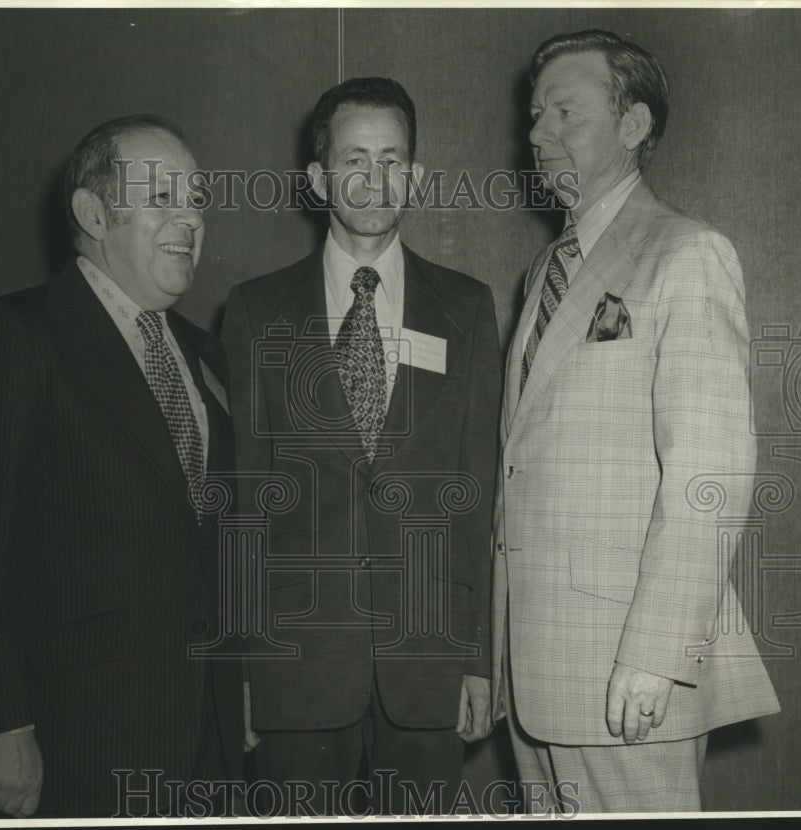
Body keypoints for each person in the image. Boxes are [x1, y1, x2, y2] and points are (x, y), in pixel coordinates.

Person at [491, 30, 780, 813]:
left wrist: (657, 654)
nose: (538, 132)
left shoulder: (687, 254)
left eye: (563, 112)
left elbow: (709, 472)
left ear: (633, 126)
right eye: (534, 114)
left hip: (625, 671)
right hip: (537, 668)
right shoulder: (544, 272)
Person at [0, 115, 243, 818]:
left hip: (207, 740)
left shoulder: (207, 353)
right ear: (93, 212)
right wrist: (0, 722)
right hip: (76, 739)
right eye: (162, 197)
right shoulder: (14, 333)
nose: (189, 218)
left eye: (196, 199)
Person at [221, 77, 501, 815]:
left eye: (393, 158)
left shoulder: (467, 308)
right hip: (297, 669)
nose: (374, 180)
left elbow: (479, 497)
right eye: (353, 159)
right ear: (318, 179)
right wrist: (243, 669)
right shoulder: (255, 312)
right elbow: (244, 500)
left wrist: (478, 660)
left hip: (428, 662)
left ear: (415, 173)